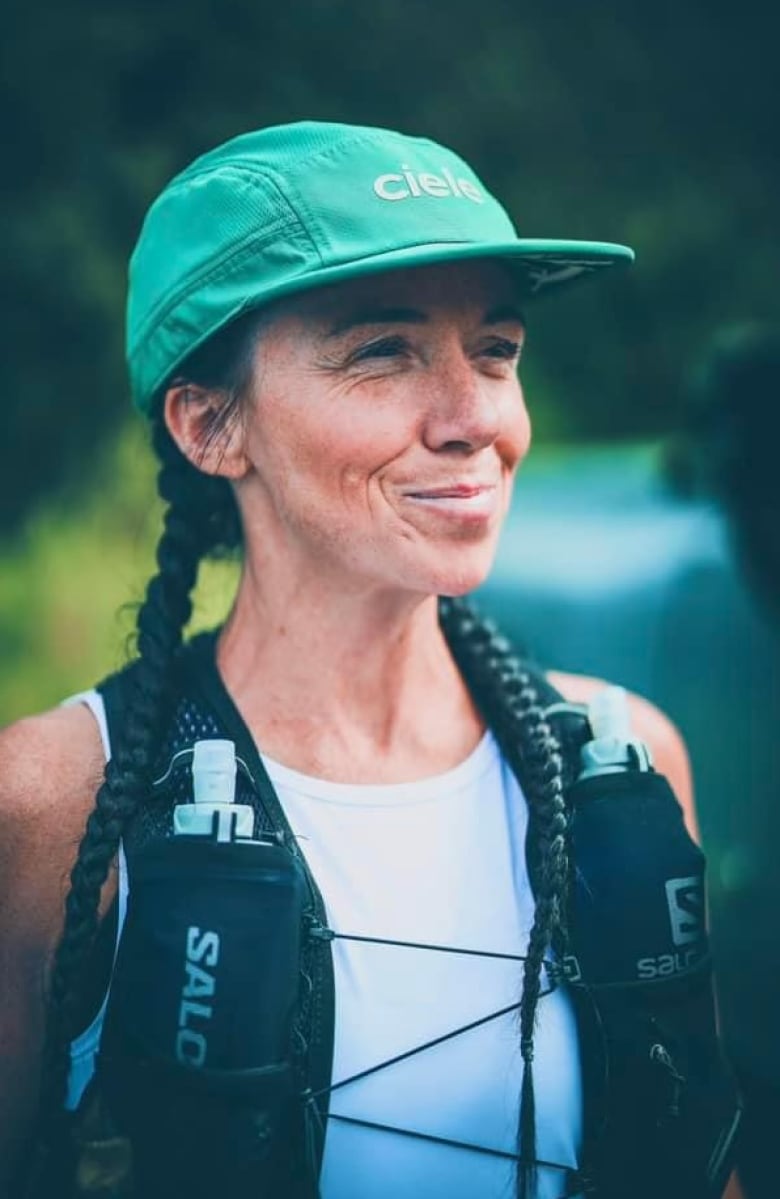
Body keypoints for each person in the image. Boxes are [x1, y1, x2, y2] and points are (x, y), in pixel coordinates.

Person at [0, 120, 741, 1199]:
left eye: (497, 349)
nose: (476, 417)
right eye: (385, 351)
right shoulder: (53, 805)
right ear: (209, 425)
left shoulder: (623, 767)